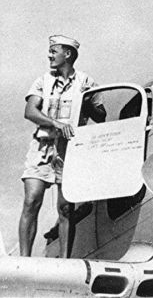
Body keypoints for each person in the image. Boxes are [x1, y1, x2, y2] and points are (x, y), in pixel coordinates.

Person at [19, 35, 106, 257]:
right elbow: (30, 111)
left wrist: (87, 101)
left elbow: (101, 115)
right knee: (31, 201)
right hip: (42, 147)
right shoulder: (42, 81)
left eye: (53, 50)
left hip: (70, 151)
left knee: (66, 208)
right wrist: (56, 124)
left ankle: (65, 261)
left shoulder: (86, 82)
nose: (49, 55)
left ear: (67, 54)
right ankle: (24, 260)